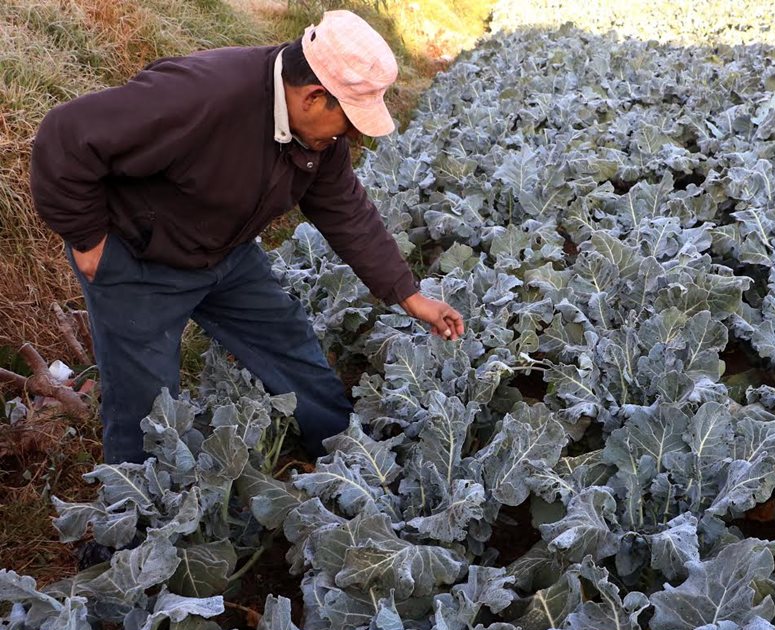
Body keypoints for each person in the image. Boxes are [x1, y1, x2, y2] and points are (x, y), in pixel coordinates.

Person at [29, 9, 464, 464]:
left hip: (226, 255)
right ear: (315, 97)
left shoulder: (320, 139)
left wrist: (409, 295)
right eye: (351, 122)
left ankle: (349, 457)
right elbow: (65, 137)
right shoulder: (201, 93)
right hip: (142, 263)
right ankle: (138, 520)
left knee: (289, 344)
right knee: (147, 408)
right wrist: (89, 242)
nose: (352, 135)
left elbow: (346, 211)